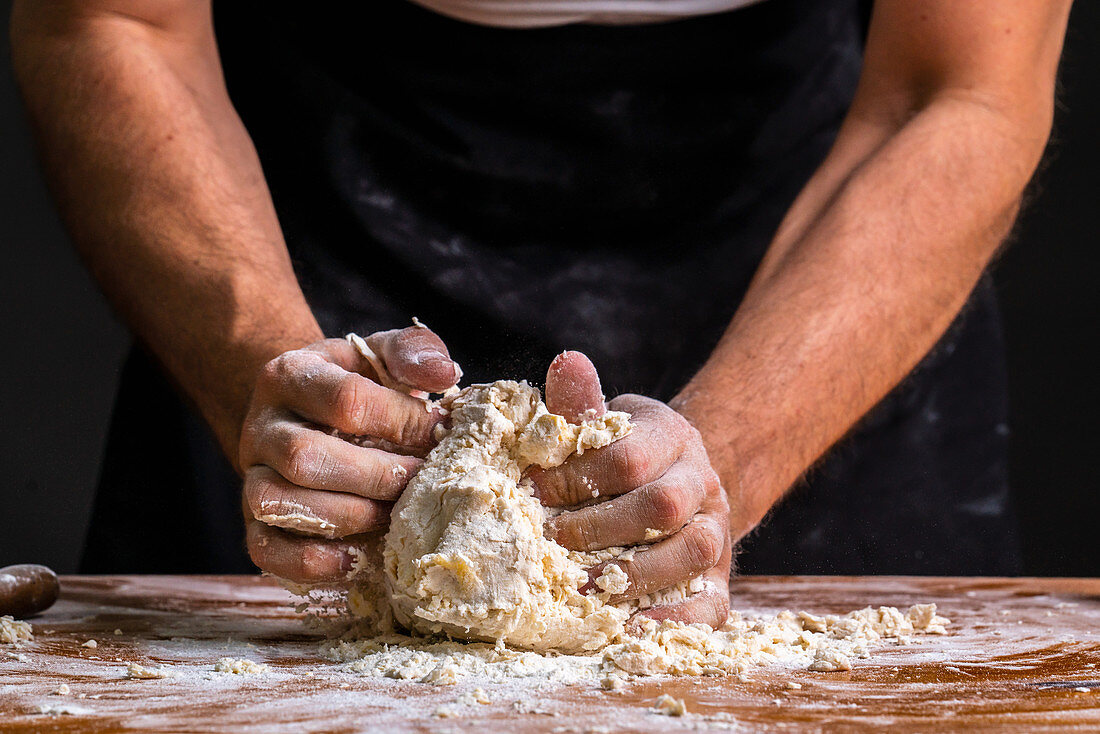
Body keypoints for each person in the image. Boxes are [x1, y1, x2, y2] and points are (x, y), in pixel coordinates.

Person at [10, 0, 1072, 623]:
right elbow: (114, 19)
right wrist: (265, 367)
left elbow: (956, 88)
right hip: (289, 229)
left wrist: (726, 461)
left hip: (819, 264)